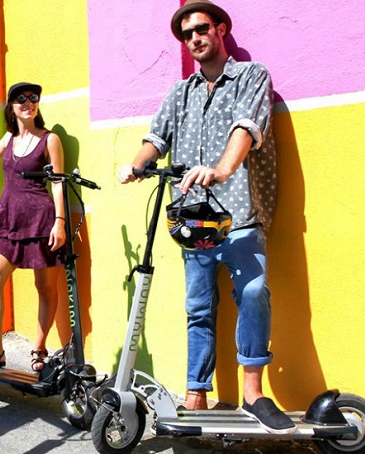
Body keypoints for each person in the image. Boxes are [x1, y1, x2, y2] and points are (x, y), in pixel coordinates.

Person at [116, 0, 295, 435]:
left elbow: (245, 129)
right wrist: (136, 164)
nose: (194, 38)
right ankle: (197, 391)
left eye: (200, 29)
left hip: (239, 211)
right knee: (198, 307)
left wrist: (221, 170)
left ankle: (253, 394)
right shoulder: (181, 92)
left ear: (220, 29)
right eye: (186, 34)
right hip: (192, 220)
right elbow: (155, 138)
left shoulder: (252, 76)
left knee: (253, 293)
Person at [0, 82, 66, 373]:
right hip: (9, 218)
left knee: (45, 286)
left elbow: (58, 181)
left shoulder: (50, 139)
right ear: (12, 106)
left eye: (33, 98)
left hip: (41, 220)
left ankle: (39, 347)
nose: (28, 102)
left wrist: (59, 222)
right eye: (21, 99)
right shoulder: (10, 137)